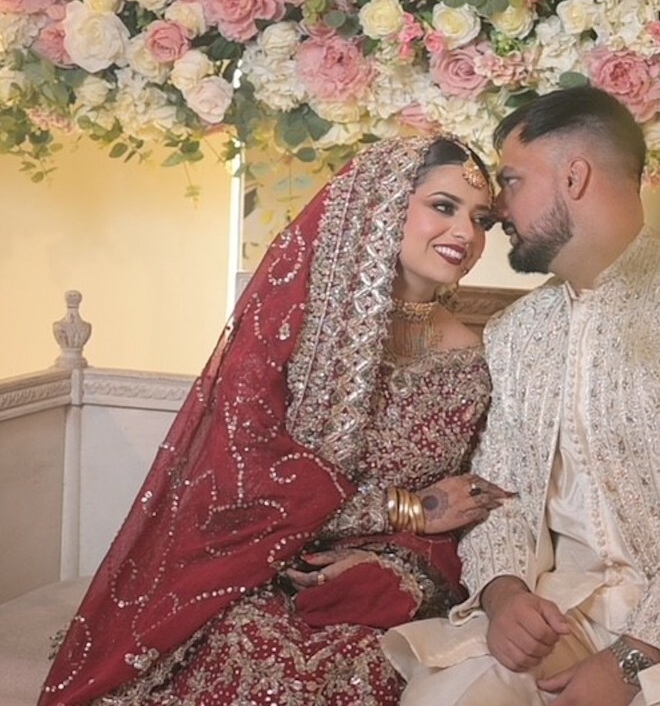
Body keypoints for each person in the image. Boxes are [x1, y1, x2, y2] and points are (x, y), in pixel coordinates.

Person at [40, 135, 512, 706]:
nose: (465, 233)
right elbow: (242, 477)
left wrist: (400, 560)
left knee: (358, 659)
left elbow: (472, 500)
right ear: (381, 203)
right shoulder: (291, 327)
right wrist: (405, 506)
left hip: (398, 578)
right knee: (257, 646)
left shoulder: (485, 355)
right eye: (443, 206)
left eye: (480, 218)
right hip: (262, 564)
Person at [383, 86, 660, 705]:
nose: (499, 210)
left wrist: (633, 660)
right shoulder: (516, 334)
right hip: (559, 615)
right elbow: (499, 490)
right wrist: (503, 594)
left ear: (575, 175)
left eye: (510, 181)